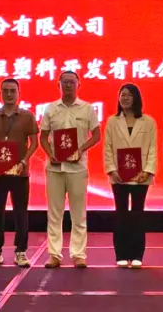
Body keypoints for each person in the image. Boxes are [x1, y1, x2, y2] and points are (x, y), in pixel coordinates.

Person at [39, 71, 101, 268]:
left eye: (71, 82)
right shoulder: (50, 108)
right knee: (54, 213)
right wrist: (50, 153)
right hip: (55, 168)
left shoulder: (87, 108)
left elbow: (96, 135)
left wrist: (81, 149)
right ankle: (54, 254)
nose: (68, 85)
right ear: (58, 85)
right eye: (64, 82)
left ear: (78, 85)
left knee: (78, 213)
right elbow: (43, 137)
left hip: (77, 168)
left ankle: (78, 254)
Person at [0, 78, 39, 268]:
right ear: (0, 93)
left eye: (12, 91)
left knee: (20, 213)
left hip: (20, 173)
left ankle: (21, 251)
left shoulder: (27, 116)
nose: (9, 94)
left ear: (18, 93)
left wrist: (24, 161)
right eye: (5, 90)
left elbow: (34, 143)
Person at [103, 83, 157, 268]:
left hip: (141, 175)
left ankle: (137, 255)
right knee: (121, 214)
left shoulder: (148, 121)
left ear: (136, 98)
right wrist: (112, 169)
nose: (125, 98)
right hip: (118, 175)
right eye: (122, 95)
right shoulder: (112, 121)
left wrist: (147, 170)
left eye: (129, 95)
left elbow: (152, 148)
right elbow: (107, 147)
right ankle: (121, 254)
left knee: (137, 214)